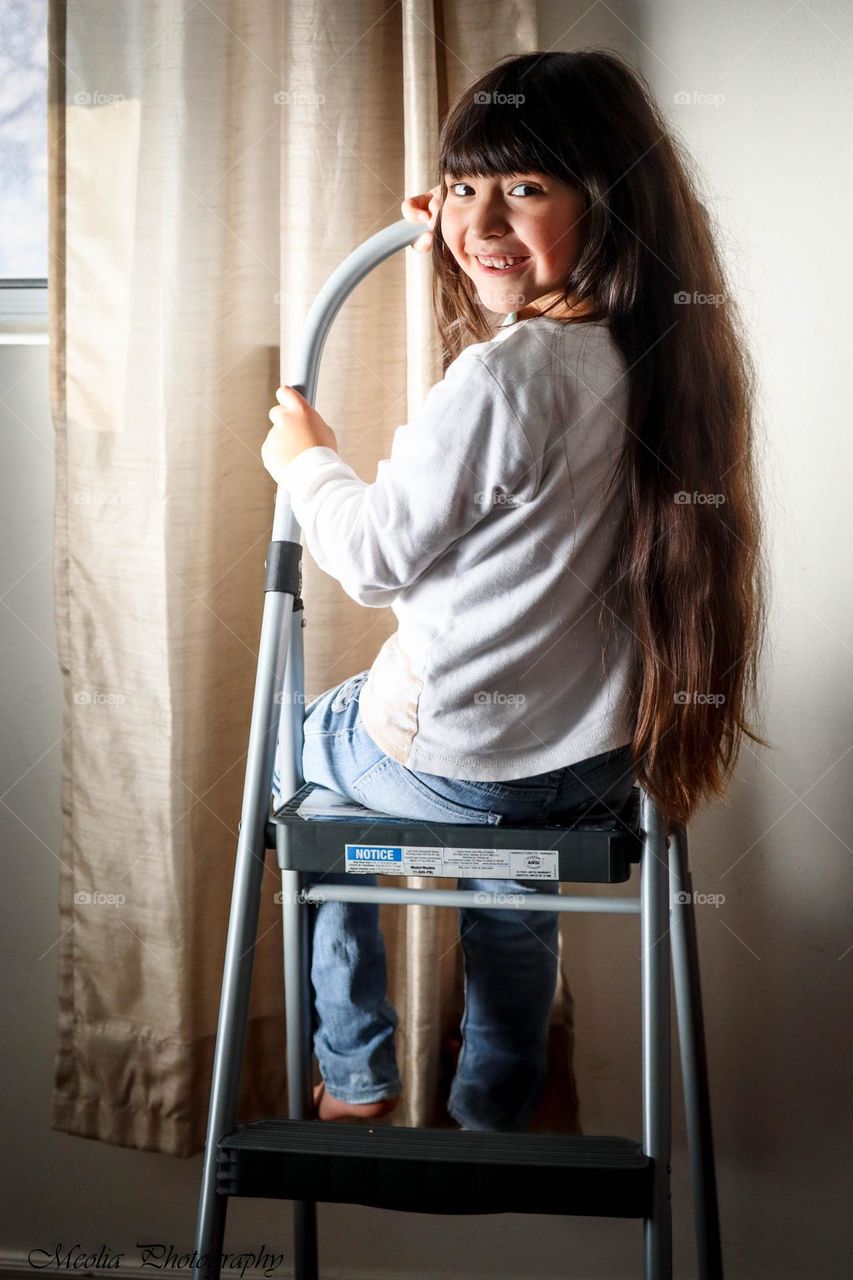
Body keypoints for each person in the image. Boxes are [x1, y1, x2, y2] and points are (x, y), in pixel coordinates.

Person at [262, 50, 769, 1131]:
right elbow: (525, 368)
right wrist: (471, 221)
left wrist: (306, 456)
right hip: (582, 767)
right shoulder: (655, 356)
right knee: (505, 877)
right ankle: (492, 1100)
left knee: (298, 757)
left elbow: (371, 556)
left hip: (449, 764)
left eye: (526, 188)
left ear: (607, 201)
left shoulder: (499, 377)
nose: (481, 218)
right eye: (464, 186)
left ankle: (353, 1070)